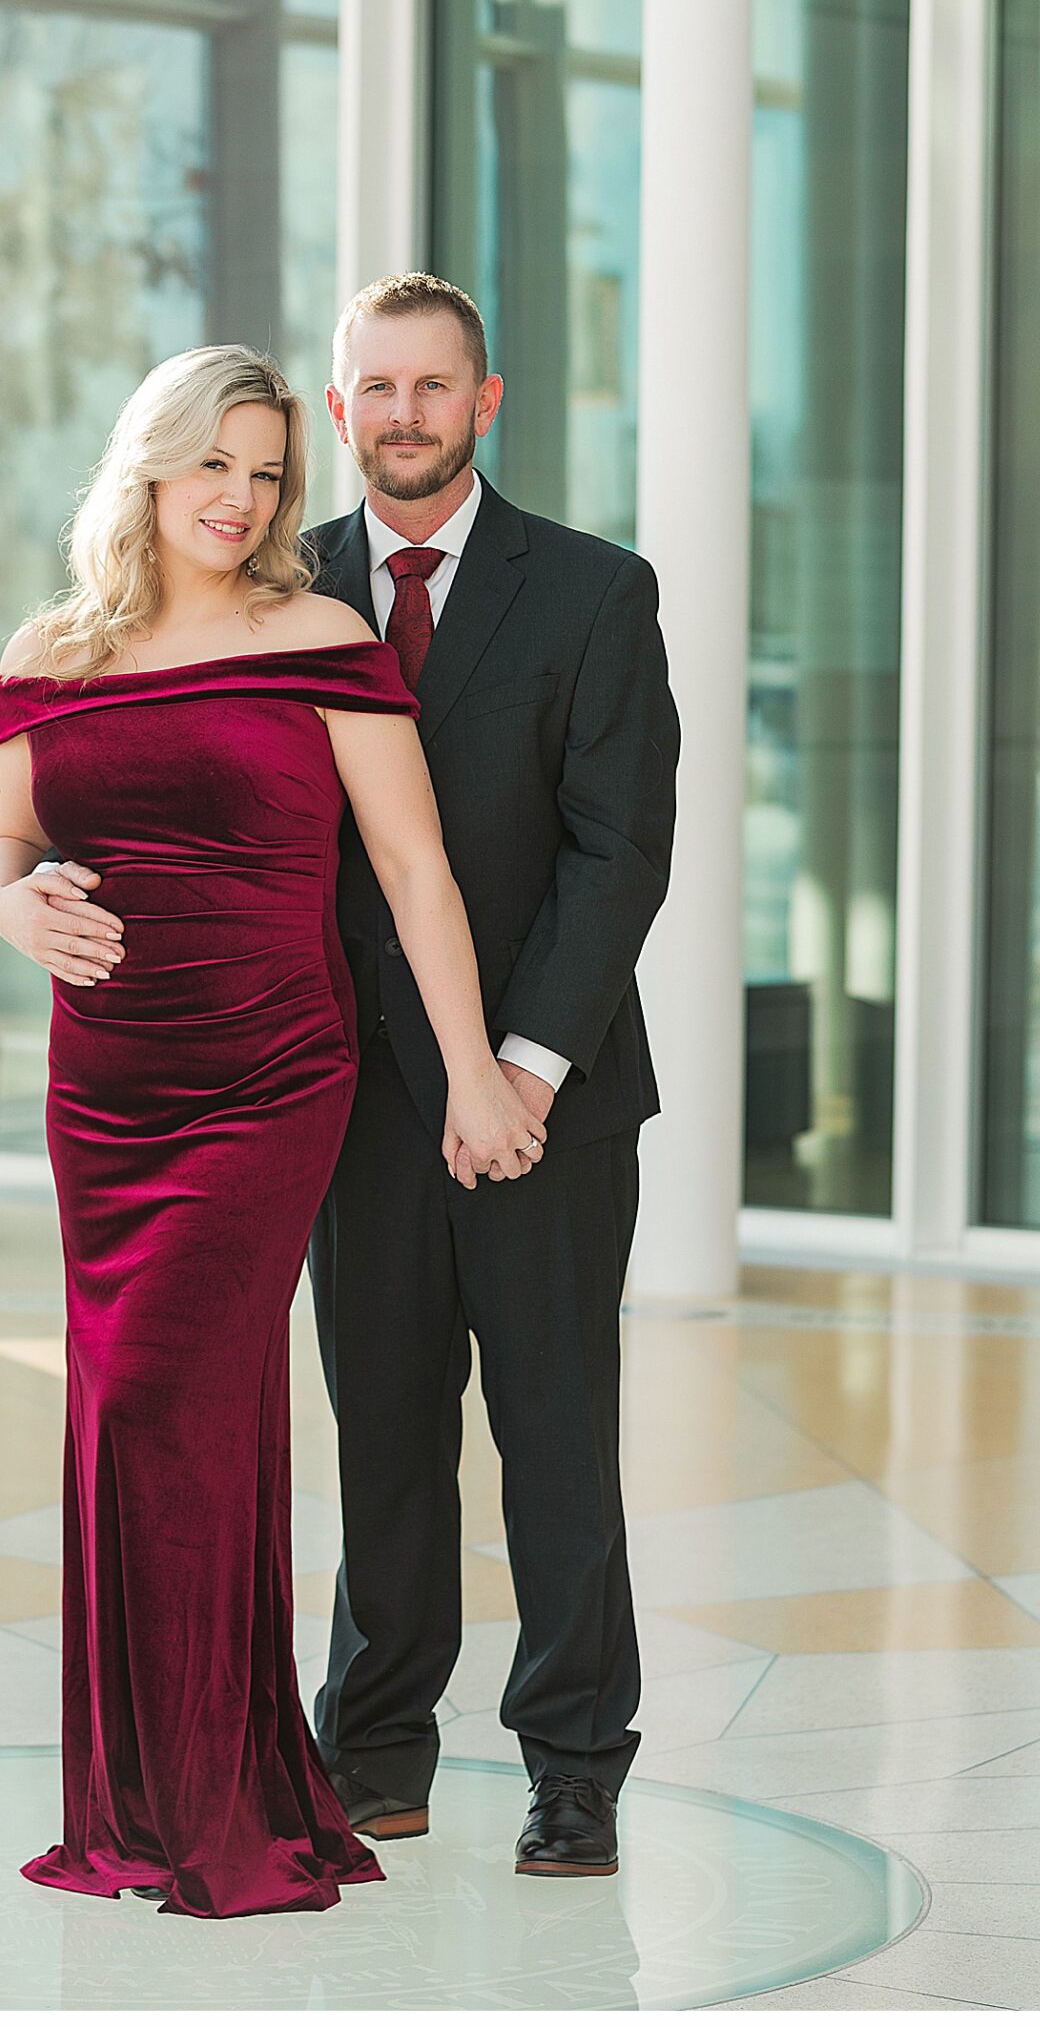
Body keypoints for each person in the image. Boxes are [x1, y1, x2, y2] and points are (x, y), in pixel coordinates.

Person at [0, 343, 545, 1921]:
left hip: (265, 1077)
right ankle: (150, 1800)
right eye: (212, 464)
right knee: (139, 1414)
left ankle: (214, 1801)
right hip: (104, 1086)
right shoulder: (49, 648)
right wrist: (3, 903)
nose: (240, 499)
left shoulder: (320, 635)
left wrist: (475, 1077)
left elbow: (416, 875)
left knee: (165, 1389)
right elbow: (14, 842)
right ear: (147, 465)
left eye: (268, 473)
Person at [306, 272, 681, 1881]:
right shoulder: (281, 587)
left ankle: (574, 1767)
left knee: (553, 1439)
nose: (402, 414)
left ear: (486, 400)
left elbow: (619, 856)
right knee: (383, 1437)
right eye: (373, 388)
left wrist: (515, 1069)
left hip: (550, 1105)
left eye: (431, 387)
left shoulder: (593, 592)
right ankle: (373, 1752)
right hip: (353, 1110)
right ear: (338, 411)